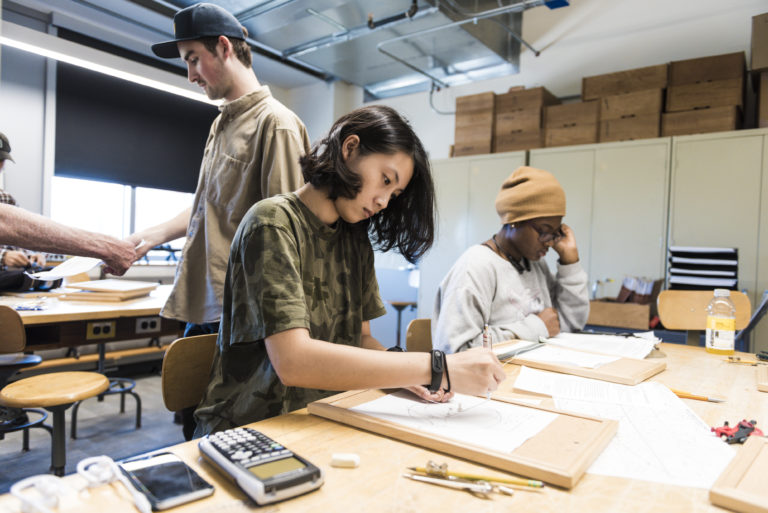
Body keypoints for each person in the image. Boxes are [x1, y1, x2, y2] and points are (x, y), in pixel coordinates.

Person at [193, 105, 506, 436]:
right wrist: (438, 367)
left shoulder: (355, 239)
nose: (384, 201)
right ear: (350, 148)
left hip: (323, 415)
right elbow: (293, 361)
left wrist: (407, 376)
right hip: (252, 427)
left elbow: (361, 338)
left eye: (394, 193)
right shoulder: (272, 223)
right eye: (385, 180)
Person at [128, 1, 310, 337]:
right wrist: (151, 236)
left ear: (224, 47)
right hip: (208, 304)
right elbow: (211, 207)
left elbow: (287, 237)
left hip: (243, 314)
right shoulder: (220, 125)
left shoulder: (276, 124)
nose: (190, 75)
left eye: (193, 59)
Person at [432, 166, 589, 354]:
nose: (549, 242)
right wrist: (535, 329)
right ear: (514, 220)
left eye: (555, 233)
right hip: (494, 381)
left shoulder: (534, 264)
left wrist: (570, 263)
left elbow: (567, 324)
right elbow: (454, 351)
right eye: (544, 230)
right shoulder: (476, 267)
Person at [0, 204, 136, 274]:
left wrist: (29, 256)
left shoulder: (6, 198)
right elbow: (8, 223)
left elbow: (18, 234)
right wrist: (106, 247)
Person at [0, 132, 48, 270]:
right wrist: (3, 256)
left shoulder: (6, 199)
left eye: (1, 160)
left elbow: (20, 237)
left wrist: (33, 254)